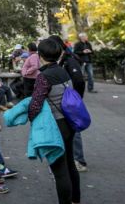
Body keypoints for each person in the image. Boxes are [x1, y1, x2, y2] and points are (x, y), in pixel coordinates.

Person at [29, 38, 81, 204]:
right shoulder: (63, 71)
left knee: (59, 170)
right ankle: (76, 200)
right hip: (69, 122)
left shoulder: (44, 76)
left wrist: (31, 118)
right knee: (70, 163)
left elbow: (35, 105)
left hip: (56, 126)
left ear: (40, 55)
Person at [48, 35, 87, 172]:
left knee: (74, 131)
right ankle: (69, 159)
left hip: (70, 103)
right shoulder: (60, 60)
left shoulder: (70, 60)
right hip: (63, 103)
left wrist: (76, 99)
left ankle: (79, 161)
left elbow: (79, 81)